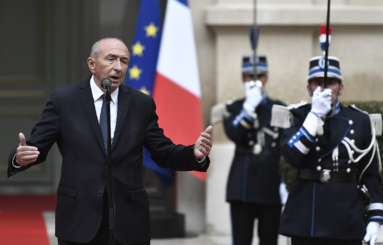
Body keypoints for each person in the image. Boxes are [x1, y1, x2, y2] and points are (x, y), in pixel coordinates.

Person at [7, 38, 213, 245]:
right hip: (79, 217)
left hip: (129, 219)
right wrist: (20, 158)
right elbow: (36, 147)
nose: (118, 67)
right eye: (111, 59)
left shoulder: (141, 104)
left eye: (124, 61)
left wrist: (193, 153)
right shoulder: (64, 100)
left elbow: (163, 151)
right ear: (92, 64)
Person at [271, 55, 383, 245]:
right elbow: (292, 156)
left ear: (341, 88)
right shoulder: (296, 116)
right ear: (309, 88)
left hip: (346, 217)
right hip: (307, 219)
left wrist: (374, 218)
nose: (324, 89)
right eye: (317, 83)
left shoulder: (360, 120)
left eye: (330, 83)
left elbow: (370, 174)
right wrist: (314, 115)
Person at [218, 54, 288, 245]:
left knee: (269, 240)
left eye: (259, 76)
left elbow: (286, 146)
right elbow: (234, 133)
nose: (254, 81)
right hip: (243, 184)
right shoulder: (234, 108)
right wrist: (248, 108)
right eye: (249, 76)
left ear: (266, 78)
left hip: (271, 182)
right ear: (243, 78)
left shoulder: (280, 109)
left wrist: (286, 180)